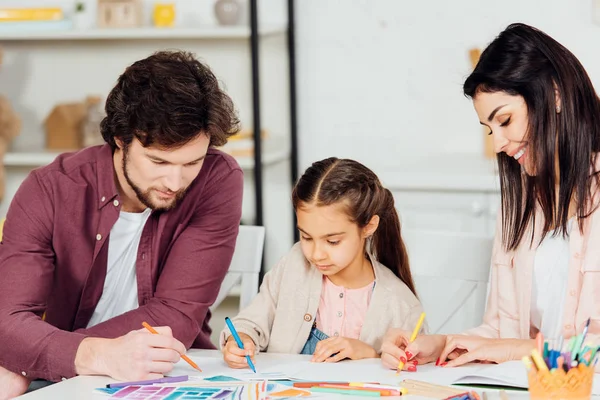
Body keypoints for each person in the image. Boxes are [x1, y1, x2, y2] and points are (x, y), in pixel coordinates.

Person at [0, 50, 244, 398]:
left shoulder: (217, 179)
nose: (175, 181)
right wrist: (91, 356)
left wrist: (40, 355)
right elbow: (7, 321)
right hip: (65, 384)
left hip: (168, 376)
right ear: (121, 139)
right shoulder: (50, 189)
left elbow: (176, 314)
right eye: (158, 160)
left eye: (192, 162)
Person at [380, 22, 600, 370]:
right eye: (489, 128)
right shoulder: (519, 207)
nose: (497, 144)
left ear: (555, 94)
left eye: (506, 120)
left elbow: (519, 347)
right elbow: (502, 332)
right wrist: (440, 345)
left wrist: (521, 350)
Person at [221, 157, 425, 369]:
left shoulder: (400, 304)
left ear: (368, 226)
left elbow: (411, 372)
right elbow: (251, 321)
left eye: (333, 241)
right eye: (306, 237)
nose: (316, 254)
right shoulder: (294, 265)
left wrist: (370, 355)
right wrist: (240, 339)